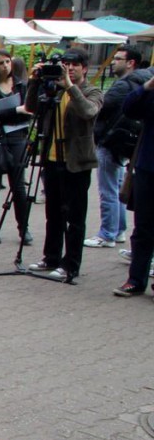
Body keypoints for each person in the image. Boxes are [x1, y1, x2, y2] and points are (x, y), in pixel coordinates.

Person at [25, 48, 104, 281]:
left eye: (74, 65)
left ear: (84, 68)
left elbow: (88, 112)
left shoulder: (92, 91)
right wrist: (34, 82)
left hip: (76, 162)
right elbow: (32, 108)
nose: (69, 69)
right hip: (52, 159)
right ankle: (51, 257)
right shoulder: (54, 90)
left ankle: (71, 265)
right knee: (53, 214)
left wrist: (70, 86)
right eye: (66, 65)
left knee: (74, 217)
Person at [87, 47, 150, 248]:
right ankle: (119, 229)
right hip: (124, 141)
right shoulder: (141, 82)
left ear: (131, 63)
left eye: (118, 59)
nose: (113, 62)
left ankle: (107, 233)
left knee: (108, 189)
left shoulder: (124, 84)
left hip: (111, 139)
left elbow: (100, 107)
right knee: (118, 187)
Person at [0, 50, 33, 244]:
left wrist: (8, 113)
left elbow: (30, 109)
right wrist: (16, 110)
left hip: (18, 138)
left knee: (18, 187)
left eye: (7, 62)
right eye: (0, 63)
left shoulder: (21, 86)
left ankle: (23, 229)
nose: (5, 66)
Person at [113, 70, 154, 297]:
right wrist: (147, 87)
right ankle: (136, 280)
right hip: (148, 167)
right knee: (143, 227)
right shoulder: (151, 89)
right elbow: (129, 109)